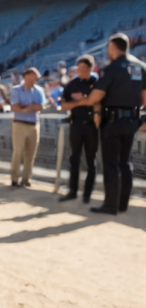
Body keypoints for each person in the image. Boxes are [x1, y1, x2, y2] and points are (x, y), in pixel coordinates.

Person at [70, 34, 146, 215]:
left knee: (111, 163)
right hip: (132, 120)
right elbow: (144, 98)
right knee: (125, 162)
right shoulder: (141, 66)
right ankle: (122, 204)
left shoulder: (112, 68)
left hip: (113, 121)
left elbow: (96, 96)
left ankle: (110, 205)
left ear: (113, 48)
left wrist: (81, 102)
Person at [59, 55, 99, 203]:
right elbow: (63, 105)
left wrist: (80, 101)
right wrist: (82, 102)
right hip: (75, 124)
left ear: (90, 68)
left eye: (83, 69)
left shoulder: (96, 83)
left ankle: (87, 194)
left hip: (91, 126)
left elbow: (98, 102)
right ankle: (73, 191)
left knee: (91, 161)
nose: (80, 72)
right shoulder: (72, 84)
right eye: (78, 69)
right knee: (74, 159)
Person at [10, 68, 46, 187]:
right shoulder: (16, 90)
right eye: (33, 77)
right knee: (18, 152)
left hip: (34, 125)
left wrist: (27, 107)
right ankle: (14, 178)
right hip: (19, 124)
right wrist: (29, 107)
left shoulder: (39, 90)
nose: (35, 80)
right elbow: (15, 107)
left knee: (31, 154)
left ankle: (26, 179)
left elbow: (41, 106)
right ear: (26, 76)